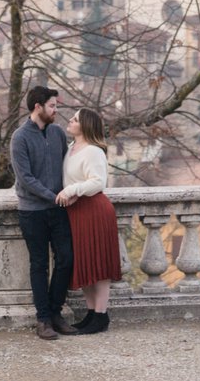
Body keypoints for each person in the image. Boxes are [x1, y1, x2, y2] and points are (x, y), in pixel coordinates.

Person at [11, 84, 75, 339]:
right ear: (38, 107)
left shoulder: (58, 133)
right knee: (39, 265)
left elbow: (68, 165)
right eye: (52, 106)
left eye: (56, 106)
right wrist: (54, 196)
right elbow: (25, 178)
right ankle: (43, 320)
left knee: (66, 259)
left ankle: (56, 313)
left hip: (59, 210)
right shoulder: (20, 137)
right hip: (32, 211)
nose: (55, 110)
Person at [58, 107, 120, 334]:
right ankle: (91, 314)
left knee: (99, 265)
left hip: (95, 210)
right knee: (85, 263)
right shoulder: (71, 148)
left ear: (84, 126)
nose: (71, 121)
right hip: (77, 213)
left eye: (75, 119)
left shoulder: (94, 151)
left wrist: (73, 190)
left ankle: (101, 316)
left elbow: (98, 182)